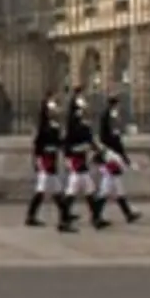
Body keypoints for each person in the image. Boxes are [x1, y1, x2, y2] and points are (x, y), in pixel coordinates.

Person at [59, 87, 110, 231]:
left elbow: (89, 139)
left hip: (81, 159)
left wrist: (97, 148)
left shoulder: (81, 121)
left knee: (89, 189)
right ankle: (64, 221)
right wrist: (85, 148)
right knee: (74, 190)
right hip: (76, 159)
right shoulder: (74, 122)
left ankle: (96, 218)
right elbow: (70, 143)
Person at [95, 95, 140, 223]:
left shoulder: (108, 117)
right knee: (108, 187)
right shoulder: (110, 118)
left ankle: (127, 213)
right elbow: (113, 140)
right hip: (111, 156)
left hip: (110, 154)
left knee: (116, 186)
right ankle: (96, 215)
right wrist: (125, 159)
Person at [25, 91, 66, 228]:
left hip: (50, 159)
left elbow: (58, 141)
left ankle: (63, 216)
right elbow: (38, 144)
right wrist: (37, 160)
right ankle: (63, 218)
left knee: (53, 189)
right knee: (46, 189)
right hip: (45, 159)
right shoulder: (44, 126)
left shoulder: (54, 125)